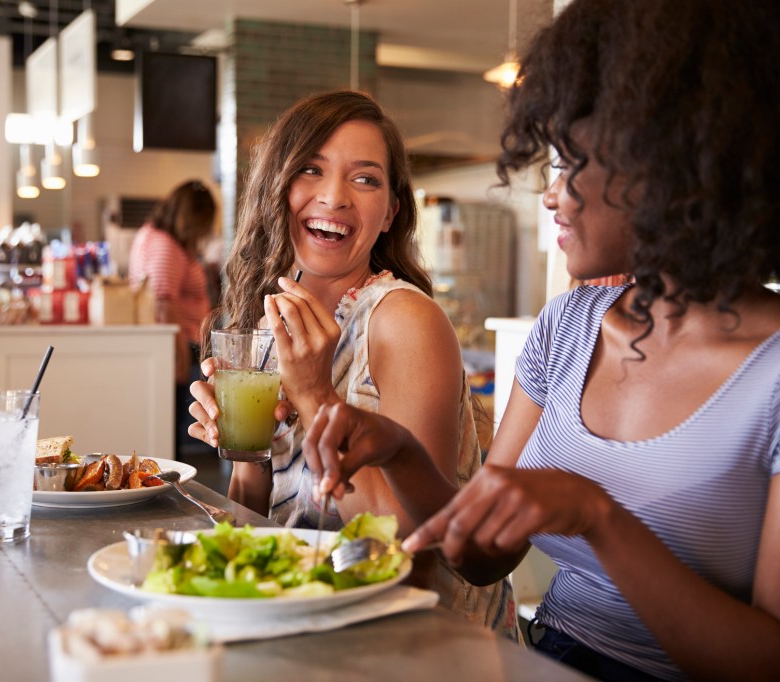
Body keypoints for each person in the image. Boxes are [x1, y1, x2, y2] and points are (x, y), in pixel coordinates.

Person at [301, 1, 780, 680]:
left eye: (569, 163)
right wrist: (401, 451)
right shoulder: (569, 325)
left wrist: (597, 516)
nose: (550, 196)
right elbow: (480, 554)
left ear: (671, 163)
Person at [186, 90, 520, 639]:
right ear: (278, 187)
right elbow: (262, 520)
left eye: (364, 179)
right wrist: (245, 448)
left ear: (390, 212)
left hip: (424, 640)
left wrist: (317, 396)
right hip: (308, 624)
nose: (334, 196)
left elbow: (411, 548)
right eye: (311, 170)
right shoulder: (269, 321)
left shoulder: (405, 320)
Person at [128, 179, 217, 455]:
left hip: (177, 347)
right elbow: (165, 305)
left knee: (173, 428)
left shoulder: (155, 236)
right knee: (174, 430)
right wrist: (178, 360)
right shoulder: (165, 245)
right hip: (177, 348)